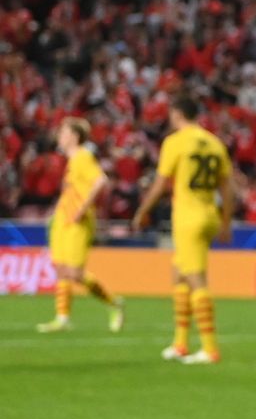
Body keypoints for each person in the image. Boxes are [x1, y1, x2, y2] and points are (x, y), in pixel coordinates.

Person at [132, 94, 233, 365]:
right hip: (209, 213)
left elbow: (161, 183)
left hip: (188, 218)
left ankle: (210, 349)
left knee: (195, 279)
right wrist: (226, 222)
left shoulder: (175, 142)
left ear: (176, 114)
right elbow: (227, 187)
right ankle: (180, 343)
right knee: (178, 275)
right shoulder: (214, 142)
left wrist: (143, 211)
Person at [36, 117, 124, 334]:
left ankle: (114, 303)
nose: (59, 136)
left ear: (74, 137)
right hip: (63, 220)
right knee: (61, 269)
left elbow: (101, 181)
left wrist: (82, 210)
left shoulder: (83, 156)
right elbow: (71, 192)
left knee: (75, 273)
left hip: (78, 221)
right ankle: (62, 317)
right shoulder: (72, 161)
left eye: (63, 132)